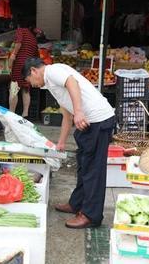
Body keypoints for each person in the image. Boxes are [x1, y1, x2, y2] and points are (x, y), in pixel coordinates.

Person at [23, 58, 115, 229]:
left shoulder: (53, 70)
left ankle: (90, 215)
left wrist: (79, 111)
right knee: (83, 166)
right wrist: (61, 142)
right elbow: (67, 115)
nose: (32, 85)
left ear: (34, 71)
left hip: (98, 120)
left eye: (30, 81)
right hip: (87, 123)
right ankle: (77, 203)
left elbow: (72, 82)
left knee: (93, 170)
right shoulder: (51, 84)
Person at [9, 17, 38, 118]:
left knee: (14, 87)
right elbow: (36, 54)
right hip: (28, 65)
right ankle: (25, 113)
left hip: (19, 63)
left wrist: (13, 55)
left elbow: (19, 43)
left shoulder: (21, 31)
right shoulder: (33, 37)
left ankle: (11, 113)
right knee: (25, 89)